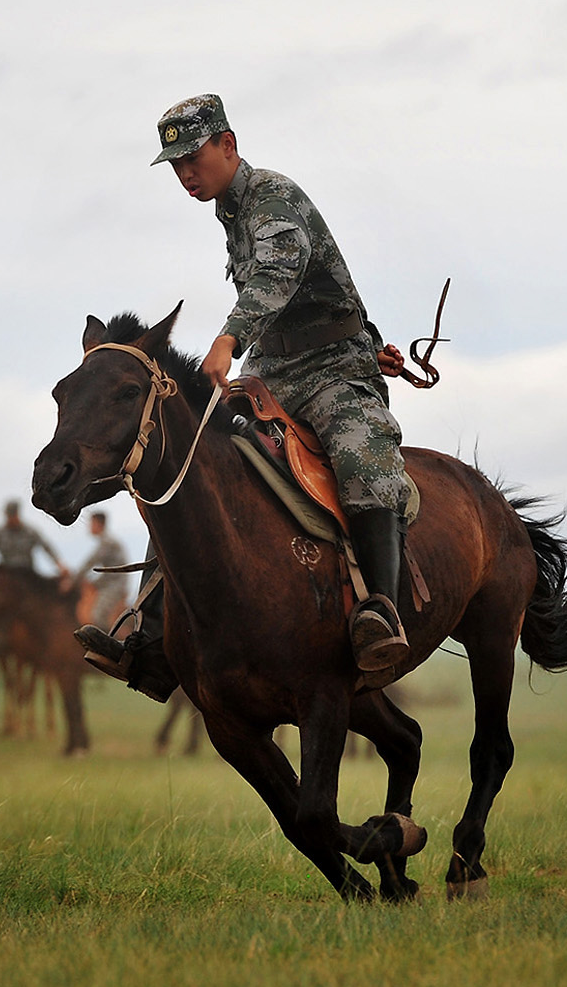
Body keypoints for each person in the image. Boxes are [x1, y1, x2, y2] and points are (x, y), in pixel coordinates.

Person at [80, 94, 412, 676]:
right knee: (189, 457)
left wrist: (228, 339)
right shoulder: (230, 213)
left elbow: (278, 274)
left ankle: (380, 612)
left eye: (193, 157)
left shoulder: (272, 199)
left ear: (228, 145)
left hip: (333, 366)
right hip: (275, 371)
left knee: (361, 452)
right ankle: (152, 638)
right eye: (176, 165)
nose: (185, 173)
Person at [0, 499, 68, 578]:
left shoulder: (30, 532)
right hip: (6, 575)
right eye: (9, 516)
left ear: (17, 515)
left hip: (28, 574)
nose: (10, 519)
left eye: (12, 515)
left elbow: (46, 547)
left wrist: (59, 565)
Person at [81, 511, 134, 633]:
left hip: (115, 586)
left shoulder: (107, 543)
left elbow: (90, 562)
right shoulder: (107, 542)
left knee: (98, 616)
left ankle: (109, 645)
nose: (89, 527)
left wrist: (74, 580)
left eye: (92, 523)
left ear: (99, 524)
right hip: (111, 583)